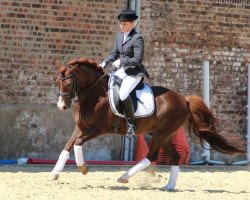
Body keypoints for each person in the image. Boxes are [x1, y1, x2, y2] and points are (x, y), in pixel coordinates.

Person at [100, 9, 149, 137]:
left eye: (125, 24)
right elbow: (113, 54)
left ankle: (132, 124)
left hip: (134, 72)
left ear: (133, 23)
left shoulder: (137, 38)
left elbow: (137, 60)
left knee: (123, 94)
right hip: (122, 71)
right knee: (107, 85)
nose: (121, 26)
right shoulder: (119, 36)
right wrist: (105, 62)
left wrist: (121, 61)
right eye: (120, 24)